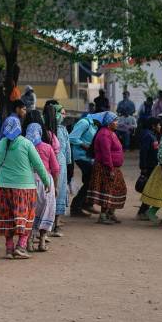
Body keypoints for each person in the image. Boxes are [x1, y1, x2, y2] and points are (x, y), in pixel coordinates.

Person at [0, 115, 52, 258]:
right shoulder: (26, 144)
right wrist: (46, 182)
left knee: (8, 217)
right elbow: (38, 164)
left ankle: (9, 249)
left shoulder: (0, 144)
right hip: (25, 188)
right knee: (26, 216)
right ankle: (21, 246)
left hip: (4, 187)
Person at [25, 120, 59, 250]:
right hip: (46, 183)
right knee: (47, 211)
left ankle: (28, 242)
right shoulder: (47, 147)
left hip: (28, 182)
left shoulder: (25, 147)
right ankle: (42, 242)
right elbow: (55, 169)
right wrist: (55, 187)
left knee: (30, 212)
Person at [87, 112, 126, 225]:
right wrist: (110, 169)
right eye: (115, 121)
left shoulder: (110, 133)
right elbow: (106, 153)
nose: (117, 123)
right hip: (106, 167)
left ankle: (110, 213)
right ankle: (103, 215)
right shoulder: (104, 134)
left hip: (113, 166)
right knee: (107, 190)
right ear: (109, 123)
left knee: (118, 189)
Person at [43, 100, 70, 236]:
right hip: (52, 165)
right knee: (53, 192)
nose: (63, 116)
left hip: (62, 165)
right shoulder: (49, 131)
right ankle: (49, 225)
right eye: (61, 113)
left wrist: (68, 162)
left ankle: (57, 223)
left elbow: (67, 149)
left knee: (61, 191)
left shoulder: (63, 129)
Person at [68, 112, 99, 217]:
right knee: (90, 180)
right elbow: (72, 137)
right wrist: (85, 146)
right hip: (80, 156)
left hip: (88, 157)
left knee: (89, 180)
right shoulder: (84, 122)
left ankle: (85, 203)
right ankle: (76, 206)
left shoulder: (94, 125)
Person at [135, 115, 162, 219]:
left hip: (153, 166)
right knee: (150, 190)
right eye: (159, 124)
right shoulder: (148, 136)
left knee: (151, 190)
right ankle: (142, 212)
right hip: (149, 167)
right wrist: (143, 167)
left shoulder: (153, 135)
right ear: (153, 126)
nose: (160, 126)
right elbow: (143, 152)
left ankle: (144, 211)